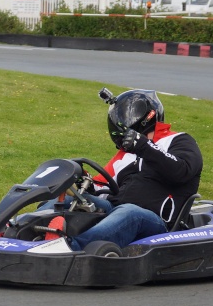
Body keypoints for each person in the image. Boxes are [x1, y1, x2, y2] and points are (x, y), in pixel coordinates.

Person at [65, 88, 203, 252]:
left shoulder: (179, 140)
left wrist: (143, 146)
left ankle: (71, 249)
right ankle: (31, 234)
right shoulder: (124, 155)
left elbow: (182, 171)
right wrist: (84, 182)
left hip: (157, 221)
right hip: (116, 210)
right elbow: (100, 186)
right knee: (67, 201)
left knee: (129, 212)